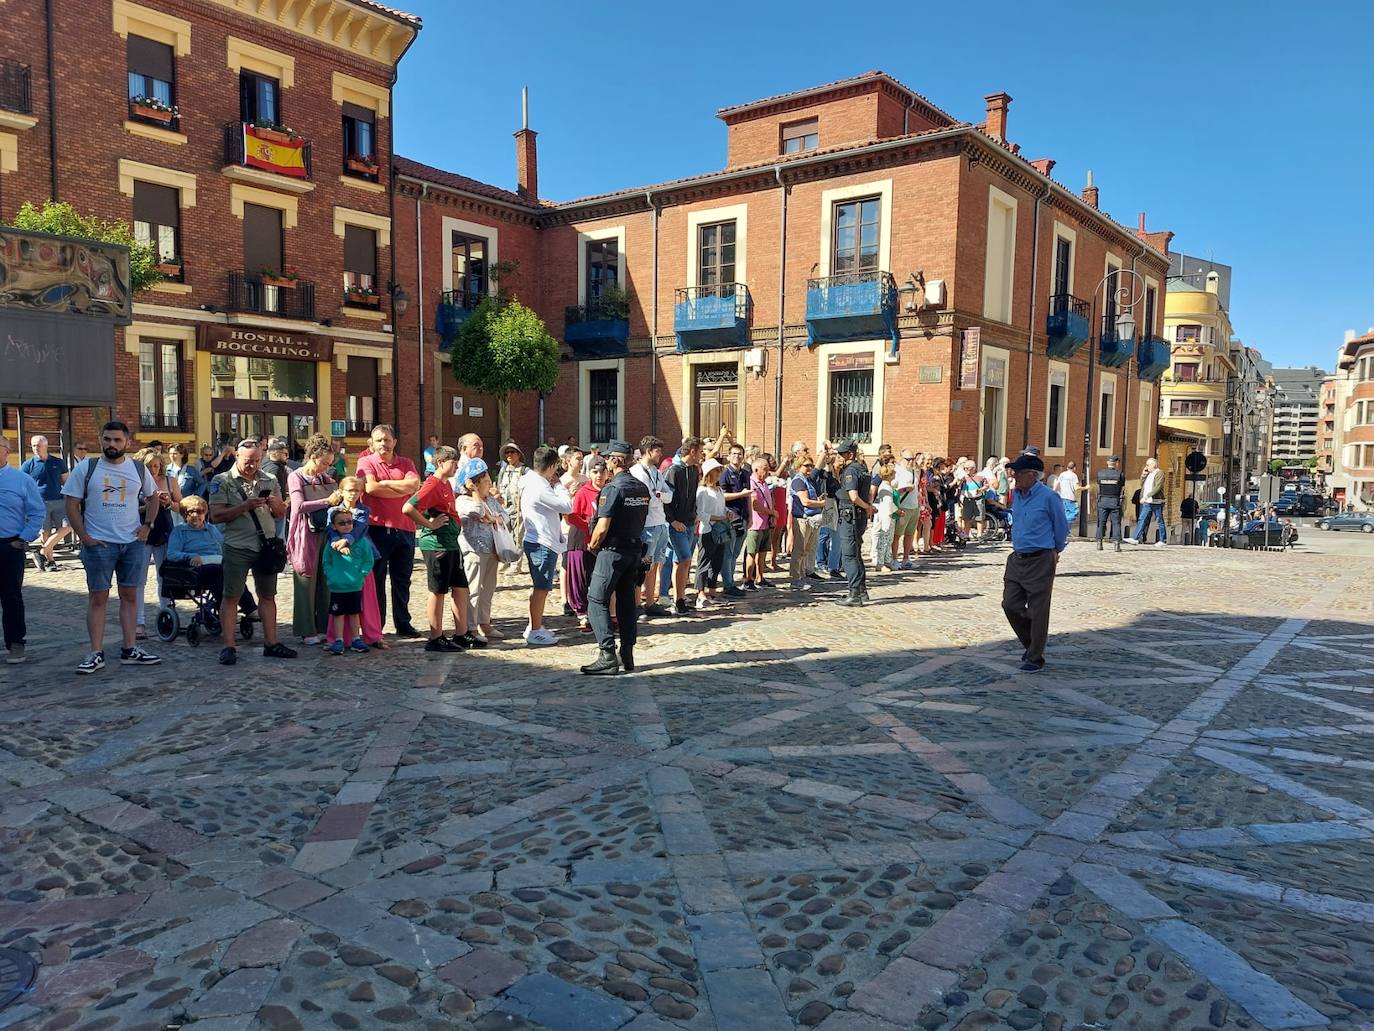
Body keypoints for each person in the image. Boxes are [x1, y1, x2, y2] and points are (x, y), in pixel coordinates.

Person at [63, 420, 163, 674]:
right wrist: (84, 536)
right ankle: (96, 653)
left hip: (132, 544)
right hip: (98, 544)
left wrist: (147, 525)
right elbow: (71, 504)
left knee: (129, 596)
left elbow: (154, 498)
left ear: (127, 442)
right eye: (107, 439)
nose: (111, 444)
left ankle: (130, 649)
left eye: (117, 440)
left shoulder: (138, 469)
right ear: (101, 440)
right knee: (98, 598)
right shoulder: (88, 467)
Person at [209, 438, 296, 666]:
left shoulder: (269, 479)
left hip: (265, 546)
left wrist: (276, 504)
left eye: (257, 460)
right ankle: (229, 646)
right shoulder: (222, 481)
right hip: (237, 546)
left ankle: (272, 643)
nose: (253, 465)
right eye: (248, 461)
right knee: (231, 597)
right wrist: (245, 506)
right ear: (237, 457)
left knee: (268, 595)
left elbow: (279, 515)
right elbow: (216, 515)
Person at [580, 441, 650, 676]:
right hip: (634, 551)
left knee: (596, 599)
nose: (607, 463)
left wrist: (592, 545)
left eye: (609, 459)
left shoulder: (613, 489)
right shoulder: (641, 488)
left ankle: (607, 654)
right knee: (626, 602)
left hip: (612, 551)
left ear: (616, 461)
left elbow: (602, 526)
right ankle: (627, 653)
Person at [1002, 452, 1069, 673]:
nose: (1014, 476)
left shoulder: (1049, 497)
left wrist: (1055, 552)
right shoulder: (1017, 495)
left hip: (1041, 557)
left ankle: (1034, 657)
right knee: (1010, 604)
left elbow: (1061, 527)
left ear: (1032, 475)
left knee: (1038, 609)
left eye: (1018, 472)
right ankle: (1031, 643)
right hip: (1017, 557)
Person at [403, 446, 475, 652]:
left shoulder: (445, 484)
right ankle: (435, 637)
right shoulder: (432, 485)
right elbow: (408, 507)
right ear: (441, 463)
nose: (456, 467)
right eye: (453, 463)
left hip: (451, 543)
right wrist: (429, 525)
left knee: (460, 587)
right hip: (436, 545)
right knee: (438, 590)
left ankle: (461, 634)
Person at [357, 424, 422, 637]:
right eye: (378, 440)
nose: (383, 444)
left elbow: (414, 485)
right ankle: (378, 625)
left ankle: (403, 623)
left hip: (405, 527)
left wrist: (385, 484)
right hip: (377, 528)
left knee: (402, 580)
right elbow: (371, 488)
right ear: (372, 444)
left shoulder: (407, 462)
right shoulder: (366, 461)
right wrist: (399, 487)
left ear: (394, 442)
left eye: (386, 439)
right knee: (376, 579)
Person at [519, 445, 573, 646]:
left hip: (539, 540)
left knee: (540, 588)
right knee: (541, 588)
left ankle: (534, 624)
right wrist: (559, 485)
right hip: (541, 542)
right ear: (551, 467)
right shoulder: (540, 486)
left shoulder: (531, 481)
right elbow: (567, 506)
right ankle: (534, 630)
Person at [287, 435, 337, 646]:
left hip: (326, 533)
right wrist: (327, 500)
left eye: (329, 464)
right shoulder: (296, 477)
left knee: (325, 582)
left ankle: (324, 626)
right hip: (304, 535)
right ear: (314, 457)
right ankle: (306, 629)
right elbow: (298, 506)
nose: (326, 468)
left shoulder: (327, 479)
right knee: (305, 580)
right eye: (324, 463)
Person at [324, 477, 385, 648]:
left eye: (357, 490)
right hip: (340, 561)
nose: (353, 494)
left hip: (360, 559)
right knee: (340, 602)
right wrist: (336, 541)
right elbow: (330, 529)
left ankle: (371, 636)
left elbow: (359, 529)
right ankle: (338, 638)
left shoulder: (363, 510)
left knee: (367, 600)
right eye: (350, 490)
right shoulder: (332, 511)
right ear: (342, 491)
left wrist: (345, 541)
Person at [0, 435, 44, 664]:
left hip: (9, 545)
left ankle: (16, 643)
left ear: (7, 451)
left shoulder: (20, 480)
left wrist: (23, 538)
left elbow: (37, 512)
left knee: (11, 597)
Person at [131, 447, 180, 638]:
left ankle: (166, 615)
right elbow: (131, 509)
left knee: (164, 576)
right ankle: (139, 622)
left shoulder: (169, 480)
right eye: (149, 466)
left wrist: (167, 503)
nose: (153, 470)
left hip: (164, 531)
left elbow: (182, 506)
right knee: (139, 580)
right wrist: (150, 505)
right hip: (142, 532)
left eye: (156, 466)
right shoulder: (135, 483)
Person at [456, 459, 505, 642]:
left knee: (488, 589)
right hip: (474, 551)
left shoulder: (491, 500)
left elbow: (505, 517)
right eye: (485, 482)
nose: (490, 485)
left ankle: (485, 623)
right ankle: (470, 627)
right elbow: (476, 511)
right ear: (474, 484)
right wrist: (476, 494)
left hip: (492, 549)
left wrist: (493, 517)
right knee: (473, 589)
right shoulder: (463, 500)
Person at [321, 508, 377, 656]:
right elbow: (326, 561)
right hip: (337, 587)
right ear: (334, 526)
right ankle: (338, 639)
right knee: (338, 614)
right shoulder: (331, 545)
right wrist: (331, 576)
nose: (346, 525)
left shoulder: (362, 542)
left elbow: (368, 560)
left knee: (354, 613)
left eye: (349, 522)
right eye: (342, 523)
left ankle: (356, 638)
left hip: (355, 585)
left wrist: (362, 574)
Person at [630, 436, 673, 617]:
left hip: (660, 522)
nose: (660, 454)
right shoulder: (637, 472)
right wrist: (659, 496)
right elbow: (648, 498)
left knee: (655, 563)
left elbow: (669, 495)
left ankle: (650, 602)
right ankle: (636, 603)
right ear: (648, 451)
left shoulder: (655, 471)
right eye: (657, 451)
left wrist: (660, 496)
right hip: (646, 525)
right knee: (643, 565)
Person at [661, 437, 703, 615]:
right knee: (685, 558)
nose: (702, 455)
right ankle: (677, 599)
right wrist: (672, 520)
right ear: (692, 451)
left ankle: (680, 596)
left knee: (680, 561)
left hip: (688, 521)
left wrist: (694, 514)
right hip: (675, 523)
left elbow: (692, 495)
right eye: (700, 452)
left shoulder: (694, 470)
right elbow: (665, 499)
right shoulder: (673, 471)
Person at [566, 456, 607, 631]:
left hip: (602, 541)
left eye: (601, 471)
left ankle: (597, 611)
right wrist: (590, 527)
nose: (598, 475)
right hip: (581, 539)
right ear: (589, 473)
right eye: (594, 472)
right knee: (580, 577)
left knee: (597, 577)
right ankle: (582, 613)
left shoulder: (609, 490)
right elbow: (573, 516)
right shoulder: (583, 491)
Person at [835, 439, 875, 607]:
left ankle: (854, 594)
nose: (840, 456)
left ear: (850, 454)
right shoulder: (862, 469)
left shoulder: (851, 470)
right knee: (856, 554)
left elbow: (853, 496)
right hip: (858, 518)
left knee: (849, 556)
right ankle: (862, 591)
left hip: (850, 516)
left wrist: (868, 507)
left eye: (842, 454)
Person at [21, 435, 69, 572]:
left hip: (59, 501)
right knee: (45, 532)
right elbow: (22, 484)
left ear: (46, 446)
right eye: (34, 445)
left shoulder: (58, 462)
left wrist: (69, 499)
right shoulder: (28, 465)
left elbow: (66, 481)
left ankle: (42, 551)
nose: (36, 448)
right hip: (39, 503)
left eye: (38, 445)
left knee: (68, 526)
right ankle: (50, 561)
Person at [165, 495, 225, 603]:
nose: (195, 515)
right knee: (216, 571)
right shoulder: (179, 531)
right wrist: (191, 556)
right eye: (190, 512)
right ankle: (224, 607)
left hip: (216, 562)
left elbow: (223, 546)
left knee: (234, 572)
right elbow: (172, 554)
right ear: (184, 514)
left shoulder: (211, 529)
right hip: (194, 568)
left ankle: (250, 609)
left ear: (204, 513)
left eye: (199, 511)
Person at [694, 457, 733, 608]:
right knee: (704, 562)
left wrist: (727, 513)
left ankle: (712, 590)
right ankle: (700, 593)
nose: (719, 473)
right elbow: (700, 513)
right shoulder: (703, 491)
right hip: (707, 531)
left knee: (716, 562)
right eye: (716, 471)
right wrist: (718, 517)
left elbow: (722, 508)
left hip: (721, 530)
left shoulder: (719, 490)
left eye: (719, 471)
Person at [717, 443, 750, 598]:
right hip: (730, 517)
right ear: (729, 456)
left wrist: (750, 515)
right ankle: (728, 585)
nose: (737, 456)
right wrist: (740, 495)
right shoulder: (724, 474)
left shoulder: (745, 474)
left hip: (743, 516)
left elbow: (748, 495)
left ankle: (731, 581)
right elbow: (722, 496)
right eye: (734, 454)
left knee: (736, 552)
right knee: (728, 553)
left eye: (739, 454)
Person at [787, 454, 824, 590]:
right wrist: (822, 503)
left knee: (806, 550)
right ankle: (795, 579)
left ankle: (802, 576)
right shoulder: (798, 481)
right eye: (806, 465)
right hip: (801, 519)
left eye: (811, 465)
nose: (809, 468)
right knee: (799, 550)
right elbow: (805, 501)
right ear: (798, 466)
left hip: (809, 519)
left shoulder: (807, 480)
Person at [744, 457, 774, 591]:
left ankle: (760, 577)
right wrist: (772, 512)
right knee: (752, 552)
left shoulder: (764, 483)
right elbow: (755, 505)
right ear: (756, 470)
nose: (767, 471)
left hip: (766, 523)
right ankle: (748, 579)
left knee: (762, 553)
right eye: (765, 469)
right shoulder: (752, 483)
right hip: (755, 524)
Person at [261, 438, 296, 538]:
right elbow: (267, 490)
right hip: (275, 509)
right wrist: (279, 505)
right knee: (278, 538)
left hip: (275, 507)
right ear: (275, 454)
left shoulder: (272, 466)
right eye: (285, 454)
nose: (287, 457)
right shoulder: (274, 469)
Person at [1129, 457, 1168, 547]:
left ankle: (1163, 539)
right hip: (1148, 501)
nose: (1146, 467)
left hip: (1156, 501)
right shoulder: (1149, 474)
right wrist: (1143, 475)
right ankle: (1135, 538)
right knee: (1142, 519)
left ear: (1153, 465)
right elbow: (1143, 485)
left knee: (1159, 520)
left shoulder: (1159, 473)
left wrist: (1146, 496)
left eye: (1148, 465)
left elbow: (1157, 487)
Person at [892, 450, 921, 569]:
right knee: (897, 534)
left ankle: (906, 558)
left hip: (914, 505)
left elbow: (917, 489)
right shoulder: (897, 470)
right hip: (902, 505)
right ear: (901, 458)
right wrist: (904, 489)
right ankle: (894, 558)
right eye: (908, 459)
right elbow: (893, 489)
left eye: (912, 459)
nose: (910, 462)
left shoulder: (915, 471)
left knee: (910, 533)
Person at [871, 460, 898, 573]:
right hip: (885, 516)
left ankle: (887, 560)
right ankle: (880, 563)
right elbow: (888, 504)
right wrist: (897, 510)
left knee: (889, 539)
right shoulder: (884, 487)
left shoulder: (888, 486)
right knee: (883, 540)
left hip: (890, 515)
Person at [1094, 454, 1125, 551]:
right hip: (1114, 501)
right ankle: (1116, 544)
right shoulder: (1120, 474)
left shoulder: (1100, 473)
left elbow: (1098, 485)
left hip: (1102, 500)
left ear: (1107, 463)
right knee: (1116, 523)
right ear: (1117, 463)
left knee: (1101, 522)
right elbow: (1122, 487)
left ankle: (1099, 543)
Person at [168, 443, 207, 508]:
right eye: (170, 454)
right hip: (171, 504)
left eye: (175, 453)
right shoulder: (166, 470)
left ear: (182, 455)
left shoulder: (191, 470)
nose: (172, 456)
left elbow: (202, 483)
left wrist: (196, 496)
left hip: (187, 503)